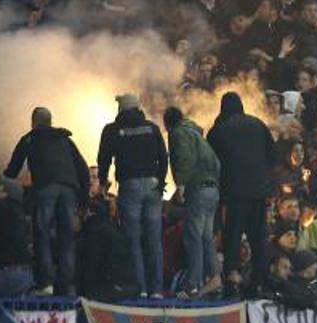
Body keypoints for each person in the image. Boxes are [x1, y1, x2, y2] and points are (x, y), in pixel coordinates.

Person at [3, 107, 90, 296]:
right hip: (69, 189)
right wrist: (84, 199)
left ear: (33, 122)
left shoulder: (29, 138)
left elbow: (12, 170)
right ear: (50, 121)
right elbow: (83, 168)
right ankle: (68, 285)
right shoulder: (65, 140)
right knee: (67, 237)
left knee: (41, 233)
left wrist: (8, 181)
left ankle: (46, 283)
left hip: (46, 188)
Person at [98, 94, 169, 297]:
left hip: (129, 186)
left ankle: (140, 289)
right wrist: (160, 182)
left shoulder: (112, 130)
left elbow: (104, 159)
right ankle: (157, 290)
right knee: (154, 239)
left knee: (133, 238)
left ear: (120, 109)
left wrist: (103, 184)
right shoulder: (152, 128)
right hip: (153, 185)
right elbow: (163, 157)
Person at [207, 92, 277, 297]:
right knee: (258, 238)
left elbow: (211, 163)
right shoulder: (257, 124)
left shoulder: (218, 130)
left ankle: (232, 279)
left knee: (233, 237)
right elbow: (274, 156)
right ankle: (258, 282)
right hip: (258, 193)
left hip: (233, 195)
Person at [164, 106, 221, 297]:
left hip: (197, 189)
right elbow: (217, 163)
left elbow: (183, 158)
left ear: (168, 124)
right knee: (205, 237)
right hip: (212, 189)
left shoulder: (178, 133)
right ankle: (214, 278)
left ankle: (193, 285)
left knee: (193, 237)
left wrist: (180, 184)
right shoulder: (196, 134)